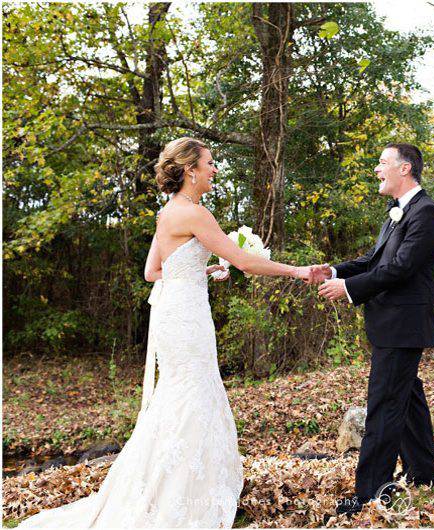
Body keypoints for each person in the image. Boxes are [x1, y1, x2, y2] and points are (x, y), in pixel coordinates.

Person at [18, 137, 310, 528]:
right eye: (209, 163)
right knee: (195, 390)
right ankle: (182, 492)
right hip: (187, 315)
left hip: (174, 312)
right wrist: (298, 271)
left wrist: (202, 270)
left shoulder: (167, 212)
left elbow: (153, 272)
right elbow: (243, 261)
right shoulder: (196, 213)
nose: (214, 170)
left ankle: (163, 484)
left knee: (180, 391)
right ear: (191, 170)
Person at [310, 143, 434, 515]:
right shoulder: (397, 213)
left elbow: (400, 268)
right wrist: (334, 271)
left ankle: (370, 492)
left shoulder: (427, 214)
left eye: (382, 162)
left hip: (403, 326)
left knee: (385, 405)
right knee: (407, 398)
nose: (376, 169)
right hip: (391, 326)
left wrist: (349, 289)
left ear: (405, 169)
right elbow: (374, 260)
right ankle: (426, 473)